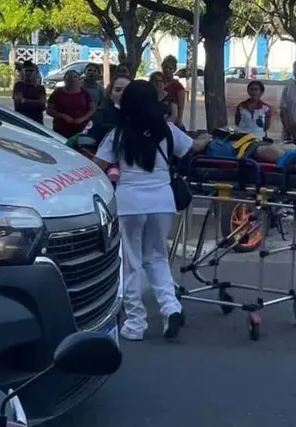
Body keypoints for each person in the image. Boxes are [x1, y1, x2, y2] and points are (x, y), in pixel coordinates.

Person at [93, 80, 199, 341]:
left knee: (132, 263)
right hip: (163, 201)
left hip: (129, 202)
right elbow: (192, 148)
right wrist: (206, 139)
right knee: (158, 257)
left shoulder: (117, 134)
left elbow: (97, 164)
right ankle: (171, 307)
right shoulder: (168, 130)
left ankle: (136, 323)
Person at [194, 130, 296, 169]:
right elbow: (194, 147)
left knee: (287, 146)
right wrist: (205, 138)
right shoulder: (197, 141)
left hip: (244, 146)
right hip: (239, 153)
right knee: (269, 151)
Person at [47, 70, 96, 138]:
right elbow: (49, 110)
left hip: (81, 129)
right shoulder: (57, 93)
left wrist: (83, 118)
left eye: (75, 77)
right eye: (69, 78)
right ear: (64, 80)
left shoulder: (85, 93)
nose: (72, 80)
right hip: (61, 129)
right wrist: (62, 116)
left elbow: (92, 109)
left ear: (79, 80)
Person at [161, 55, 186, 129]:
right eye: (165, 67)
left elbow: (181, 106)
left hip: (172, 120)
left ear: (174, 69)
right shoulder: (157, 84)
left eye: (170, 68)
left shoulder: (178, 86)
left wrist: (179, 119)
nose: (167, 70)